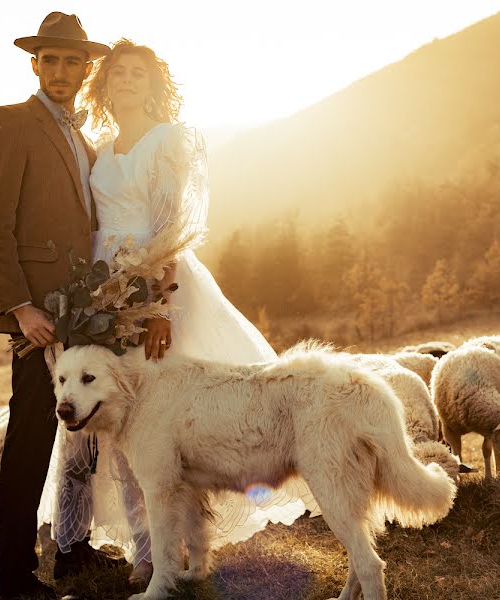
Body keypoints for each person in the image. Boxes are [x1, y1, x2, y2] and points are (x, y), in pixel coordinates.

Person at [41, 39, 310, 586]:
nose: (127, 81)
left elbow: (169, 225)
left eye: (139, 73)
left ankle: (189, 544)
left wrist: (161, 304)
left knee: (175, 420)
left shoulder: (168, 141)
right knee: (119, 422)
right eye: (118, 73)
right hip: (104, 292)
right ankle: (148, 548)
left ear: (154, 84)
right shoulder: (102, 148)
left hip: (155, 287)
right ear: (105, 83)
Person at [0, 12, 113, 600]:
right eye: (49, 59)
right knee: (30, 438)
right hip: (38, 317)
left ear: (86, 69)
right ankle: (15, 577)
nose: (60, 70)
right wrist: (20, 306)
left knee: (84, 436)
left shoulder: (83, 139)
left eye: (71, 61)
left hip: (84, 310)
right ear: (35, 64)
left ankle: (74, 550)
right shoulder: (10, 123)